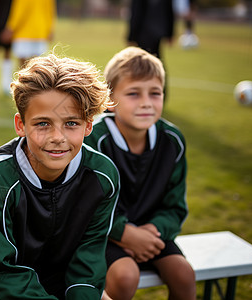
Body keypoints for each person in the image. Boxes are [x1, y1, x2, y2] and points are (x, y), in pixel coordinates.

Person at [0, 53, 120, 299]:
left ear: (88, 125)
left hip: (54, 272)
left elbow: (88, 257)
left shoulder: (102, 174)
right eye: (43, 124)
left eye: (71, 123)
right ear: (20, 124)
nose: (58, 137)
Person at [84, 46, 196, 300]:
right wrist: (125, 234)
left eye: (155, 93)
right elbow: (84, 207)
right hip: (102, 234)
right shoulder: (95, 141)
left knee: (184, 274)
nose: (146, 102)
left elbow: (175, 206)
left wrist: (152, 232)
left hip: (151, 233)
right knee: (126, 275)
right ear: (110, 100)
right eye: (134, 93)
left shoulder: (172, 140)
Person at [0, 0, 56, 67]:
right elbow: (50, 12)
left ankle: (25, 78)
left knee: (23, 66)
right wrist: (50, 29)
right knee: (37, 65)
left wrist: (10, 28)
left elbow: (19, 11)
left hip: (23, 32)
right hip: (40, 32)